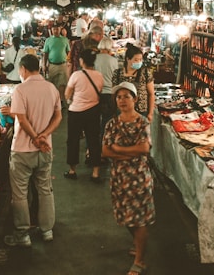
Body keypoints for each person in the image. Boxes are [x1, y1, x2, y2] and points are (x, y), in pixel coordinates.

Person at [4, 54, 63, 247]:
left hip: (22, 149)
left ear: (23, 69)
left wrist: (36, 138)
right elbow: (58, 117)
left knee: (20, 194)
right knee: (45, 189)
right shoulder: (51, 88)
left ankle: (23, 234)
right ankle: (47, 230)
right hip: (45, 149)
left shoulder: (20, 89)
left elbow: (21, 119)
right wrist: (44, 136)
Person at [102, 82, 155, 275]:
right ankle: (137, 243)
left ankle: (140, 260)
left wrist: (119, 150)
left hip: (139, 177)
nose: (122, 100)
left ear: (135, 99)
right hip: (120, 178)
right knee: (126, 216)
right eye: (118, 97)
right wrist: (128, 154)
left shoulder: (142, 122)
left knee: (139, 219)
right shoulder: (111, 123)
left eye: (126, 96)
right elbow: (105, 151)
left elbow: (144, 149)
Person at [64, 48, 104, 182]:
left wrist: (71, 99)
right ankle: (95, 172)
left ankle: (72, 170)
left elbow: (67, 94)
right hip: (93, 111)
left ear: (81, 61)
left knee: (73, 140)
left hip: (76, 112)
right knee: (93, 140)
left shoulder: (76, 75)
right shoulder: (99, 75)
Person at [112, 43, 156, 123]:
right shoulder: (117, 74)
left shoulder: (145, 73)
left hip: (141, 112)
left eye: (140, 59)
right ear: (128, 59)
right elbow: (115, 94)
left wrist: (150, 113)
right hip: (123, 112)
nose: (139, 62)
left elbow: (151, 94)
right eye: (136, 60)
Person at [95, 36, 120, 137]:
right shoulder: (113, 60)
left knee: (95, 120)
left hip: (96, 93)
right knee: (107, 120)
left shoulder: (94, 59)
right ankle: (104, 142)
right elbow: (116, 77)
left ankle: (91, 145)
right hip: (110, 94)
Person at [42, 24, 71, 103]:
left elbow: (68, 52)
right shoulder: (48, 40)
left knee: (62, 83)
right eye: (54, 29)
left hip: (63, 64)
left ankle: (61, 100)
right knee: (52, 83)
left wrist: (69, 62)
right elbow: (45, 53)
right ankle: (53, 99)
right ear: (51, 30)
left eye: (57, 29)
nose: (55, 31)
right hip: (52, 65)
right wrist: (44, 65)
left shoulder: (65, 40)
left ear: (60, 29)